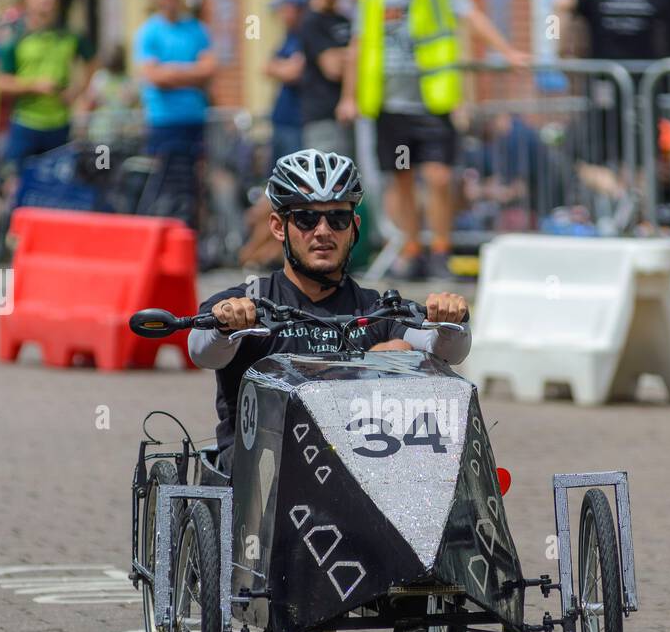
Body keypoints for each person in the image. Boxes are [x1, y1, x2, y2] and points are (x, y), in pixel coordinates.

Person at [188, 149, 470, 473]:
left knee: (404, 353)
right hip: (263, 478)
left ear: (354, 227)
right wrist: (225, 327)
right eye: (307, 219)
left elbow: (446, 350)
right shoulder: (246, 303)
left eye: (337, 218)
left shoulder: (378, 309)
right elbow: (203, 353)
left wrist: (451, 322)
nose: (323, 231)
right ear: (279, 227)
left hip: (364, 473)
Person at [338, 0, 530, 280]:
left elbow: (472, 16)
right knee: (403, 179)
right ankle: (413, 251)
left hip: (432, 105)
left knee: (438, 178)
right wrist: (348, 96)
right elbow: (358, 44)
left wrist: (506, 52)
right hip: (392, 109)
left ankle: (440, 251)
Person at [134, 0, 216, 223]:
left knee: (194, 185)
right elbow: (153, 76)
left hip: (194, 117)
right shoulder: (150, 31)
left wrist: (171, 71)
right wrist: (191, 74)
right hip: (164, 121)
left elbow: (209, 69)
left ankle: (191, 236)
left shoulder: (197, 29)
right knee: (168, 184)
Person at [0, 0, 95, 164]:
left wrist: (78, 90)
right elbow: (1, 83)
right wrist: (34, 86)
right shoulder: (14, 37)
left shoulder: (69, 34)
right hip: (26, 123)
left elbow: (93, 62)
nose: (48, 0)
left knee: (57, 185)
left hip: (60, 124)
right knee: (18, 184)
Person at [298, 0, 353, 156]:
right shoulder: (311, 22)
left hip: (349, 116)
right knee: (324, 175)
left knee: (350, 178)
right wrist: (354, 55)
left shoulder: (345, 20)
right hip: (321, 115)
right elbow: (333, 69)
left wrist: (345, 56)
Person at [267, 0, 308, 166]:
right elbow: (266, 67)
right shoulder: (289, 37)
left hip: (297, 122)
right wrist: (280, 67)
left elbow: (294, 72)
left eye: (284, 9)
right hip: (282, 120)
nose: (281, 15)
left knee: (297, 180)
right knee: (276, 181)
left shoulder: (305, 36)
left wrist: (279, 67)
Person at [79, 45, 141, 144]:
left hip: (121, 134)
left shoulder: (126, 80)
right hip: (102, 132)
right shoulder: (101, 78)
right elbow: (89, 103)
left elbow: (135, 105)